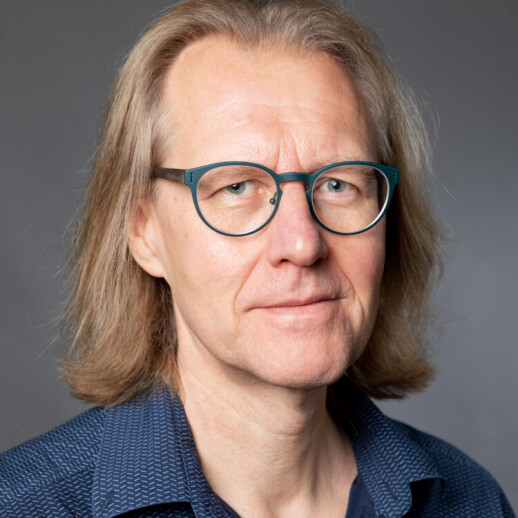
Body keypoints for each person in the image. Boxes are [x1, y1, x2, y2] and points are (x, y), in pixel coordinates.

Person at [0, 0, 514, 516]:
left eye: (338, 184)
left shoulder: (469, 501)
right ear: (143, 229)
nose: (303, 245)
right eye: (237, 187)